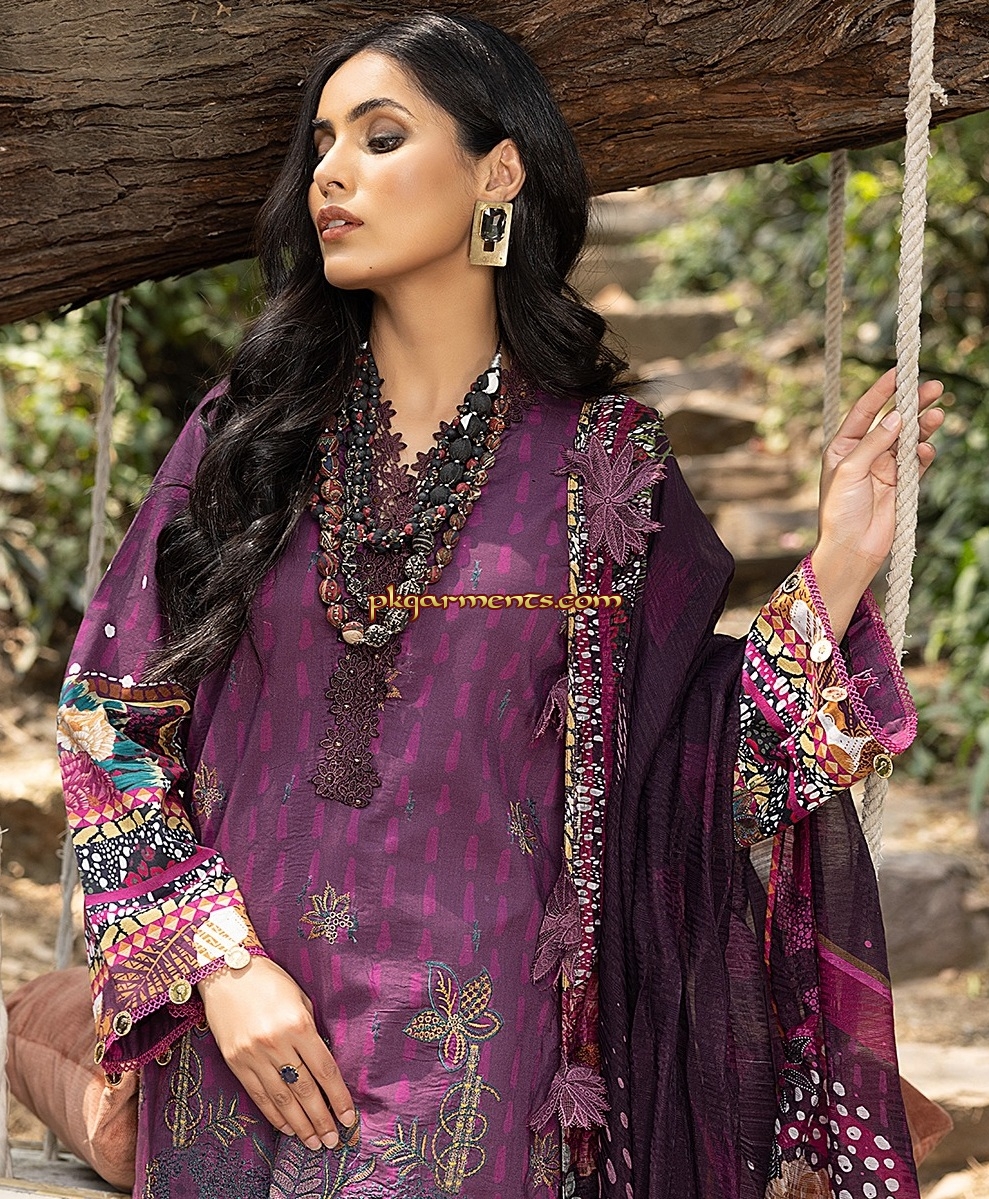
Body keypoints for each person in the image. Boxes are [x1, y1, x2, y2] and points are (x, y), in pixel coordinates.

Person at [56, 11, 945, 1199]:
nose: (329, 173)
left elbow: (689, 775)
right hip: (237, 1051)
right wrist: (218, 966)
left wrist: (837, 559)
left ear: (499, 171)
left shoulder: (604, 469)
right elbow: (108, 723)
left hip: (473, 1067)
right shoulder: (246, 438)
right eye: (321, 143)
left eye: (379, 137)